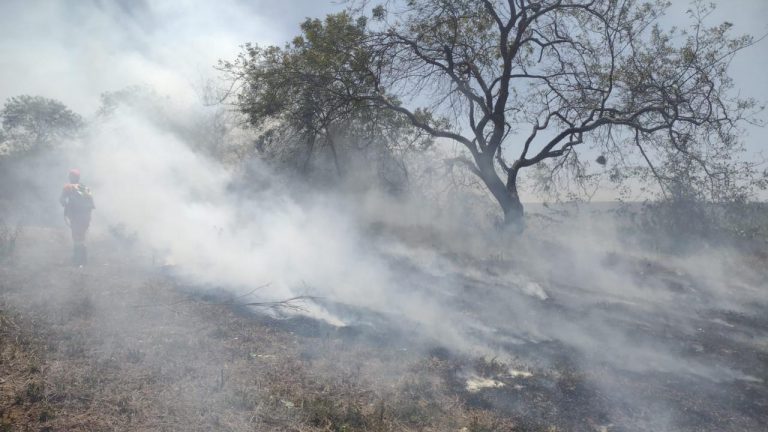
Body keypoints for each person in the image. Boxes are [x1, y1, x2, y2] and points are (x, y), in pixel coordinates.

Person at [59, 169, 95, 265]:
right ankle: (83, 259)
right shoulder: (84, 187)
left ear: (70, 177)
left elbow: (62, 200)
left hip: (75, 216)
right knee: (81, 237)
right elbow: (91, 204)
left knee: (76, 237)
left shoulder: (68, 187)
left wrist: (66, 204)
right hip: (85, 216)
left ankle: (77, 258)